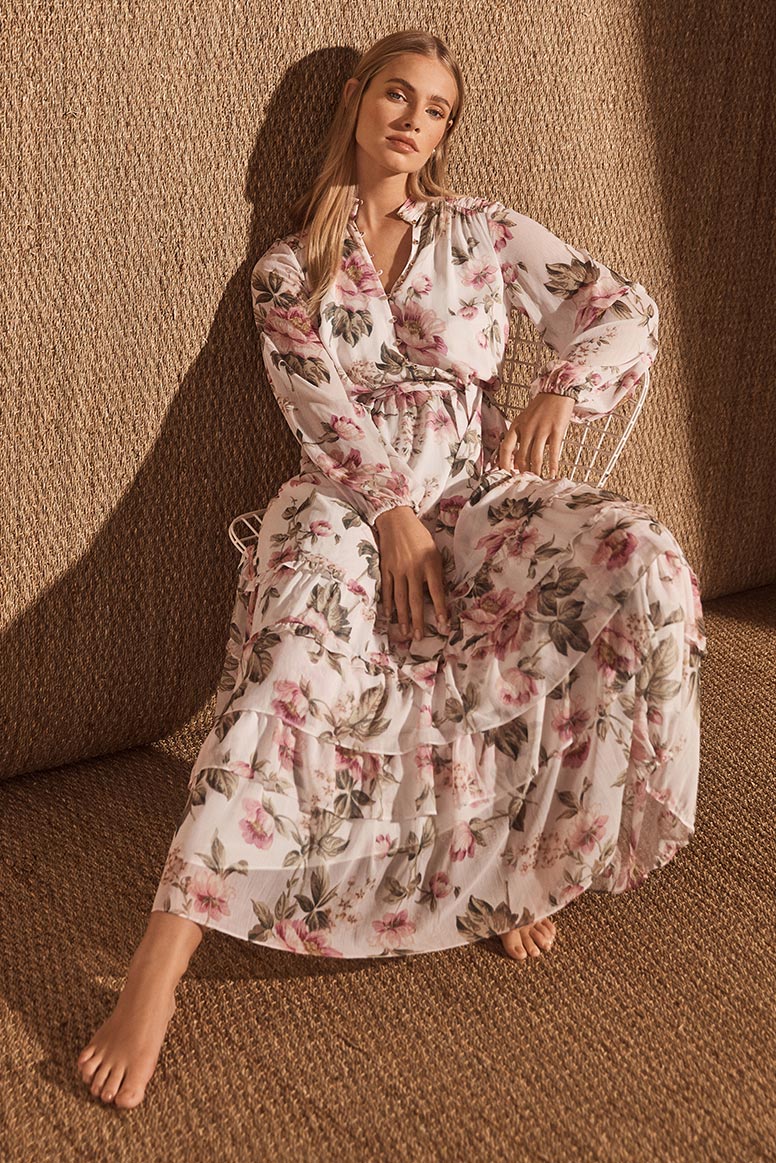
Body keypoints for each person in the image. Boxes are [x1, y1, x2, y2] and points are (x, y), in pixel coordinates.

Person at [76, 28, 707, 1109]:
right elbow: (312, 404)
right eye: (398, 95)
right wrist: (389, 513)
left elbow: (623, 309)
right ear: (359, 102)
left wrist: (559, 387)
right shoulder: (286, 267)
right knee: (294, 662)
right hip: (340, 499)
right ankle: (157, 966)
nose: (415, 120)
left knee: (632, 557)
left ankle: (506, 866)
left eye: (437, 109)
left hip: (469, 490)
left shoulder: (480, 231)